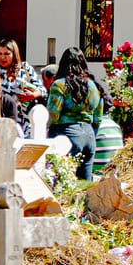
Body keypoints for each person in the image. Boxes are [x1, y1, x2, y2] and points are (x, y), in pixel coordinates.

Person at [46, 47, 105, 180]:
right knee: (85, 184)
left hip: (67, 135)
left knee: (63, 182)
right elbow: (98, 118)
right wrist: (91, 134)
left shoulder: (59, 85)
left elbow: (53, 115)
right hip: (89, 136)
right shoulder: (94, 86)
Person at [0, 39, 43, 122]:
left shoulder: (25, 68)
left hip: (24, 118)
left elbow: (42, 90)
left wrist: (32, 95)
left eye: (6, 54)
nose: (2, 57)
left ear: (14, 54)